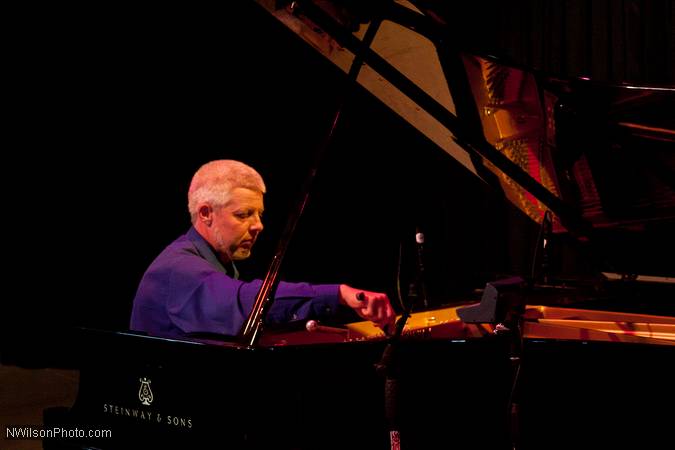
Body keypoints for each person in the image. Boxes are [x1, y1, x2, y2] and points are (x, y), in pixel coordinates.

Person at [130, 159, 395, 337]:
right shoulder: (179, 268)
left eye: (259, 214)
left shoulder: (213, 262)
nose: (258, 226)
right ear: (205, 213)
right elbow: (247, 301)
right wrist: (338, 294)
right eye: (243, 215)